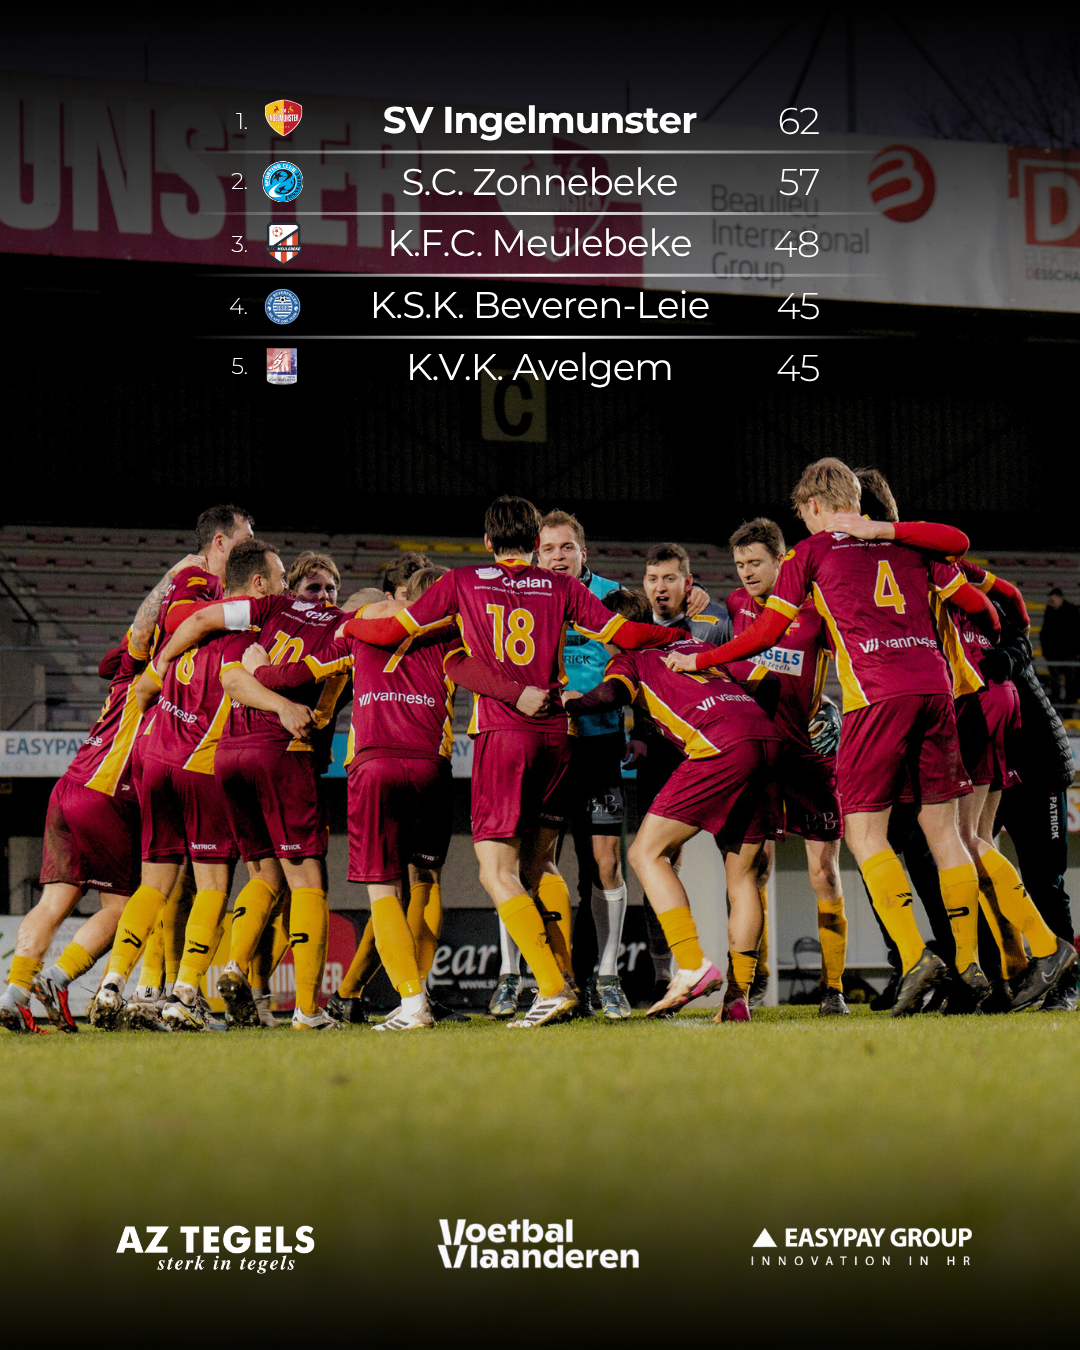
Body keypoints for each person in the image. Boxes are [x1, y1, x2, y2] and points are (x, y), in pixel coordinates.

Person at [664, 457, 1060, 1016]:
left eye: (804, 514)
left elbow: (768, 632)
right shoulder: (912, 545)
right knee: (951, 835)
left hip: (877, 696)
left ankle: (916, 955)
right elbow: (981, 593)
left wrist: (699, 659)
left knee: (864, 832)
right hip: (938, 691)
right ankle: (986, 960)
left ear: (814, 506)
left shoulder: (811, 553)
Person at [339, 495, 675, 1029]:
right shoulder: (563, 586)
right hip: (559, 735)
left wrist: (352, 626)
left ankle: (549, 986)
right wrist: (679, 637)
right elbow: (626, 634)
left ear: (488, 541)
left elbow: (392, 630)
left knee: (496, 870)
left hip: (504, 734)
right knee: (541, 865)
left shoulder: (463, 582)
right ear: (535, 543)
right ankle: (566, 980)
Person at [91, 540, 313, 1030]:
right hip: (201, 764)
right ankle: (185, 993)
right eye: (280, 579)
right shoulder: (250, 633)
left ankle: (114, 984)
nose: (285, 588)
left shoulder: (189, 623)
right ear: (258, 584)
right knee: (214, 884)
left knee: (155, 884)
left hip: (155, 759)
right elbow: (244, 681)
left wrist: (157, 673)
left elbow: (146, 666)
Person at [564, 588, 782, 1021]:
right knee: (742, 877)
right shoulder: (694, 645)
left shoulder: (628, 657)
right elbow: (769, 680)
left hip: (719, 746)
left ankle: (691, 964)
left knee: (645, 853)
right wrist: (751, 727)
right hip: (765, 741)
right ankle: (737, 1000)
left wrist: (571, 702)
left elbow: (610, 696)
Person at [151, 547, 346, 1030]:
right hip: (284, 753)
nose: (323, 596)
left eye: (330, 588)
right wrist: (284, 704)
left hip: (231, 754)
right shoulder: (339, 626)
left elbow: (226, 666)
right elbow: (319, 708)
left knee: (265, 877)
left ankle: (232, 969)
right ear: (289, 587)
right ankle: (307, 1010)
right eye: (314, 587)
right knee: (308, 883)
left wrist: (160, 664)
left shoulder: (267, 615)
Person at [490, 509, 630, 1021]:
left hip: (598, 744)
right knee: (523, 863)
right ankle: (514, 975)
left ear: (582, 552)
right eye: (546, 549)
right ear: (534, 553)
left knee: (606, 864)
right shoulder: (519, 593)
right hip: (542, 744)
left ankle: (607, 978)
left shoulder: (612, 596)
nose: (556, 557)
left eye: (565, 547)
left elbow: (635, 651)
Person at [725, 518, 848, 1017]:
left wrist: (836, 708)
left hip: (808, 757)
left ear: (781, 561)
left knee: (824, 873)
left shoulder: (817, 610)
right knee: (751, 870)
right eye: (739, 564)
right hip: (756, 757)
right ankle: (747, 984)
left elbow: (853, 660)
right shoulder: (735, 605)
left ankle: (834, 989)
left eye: (755, 562)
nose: (747, 572)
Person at [0, 637, 144, 1033]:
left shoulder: (126, 665)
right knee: (121, 908)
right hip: (108, 792)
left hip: (69, 785)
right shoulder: (163, 670)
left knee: (52, 903)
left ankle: (14, 994)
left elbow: (107, 661)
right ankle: (58, 976)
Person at [634, 543, 732, 1001]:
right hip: (660, 753)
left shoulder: (712, 621)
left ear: (687, 583)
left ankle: (747, 975)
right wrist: (638, 732)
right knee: (659, 858)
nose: (660, 588)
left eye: (669, 579)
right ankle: (665, 969)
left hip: (714, 748)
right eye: (653, 579)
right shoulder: (635, 625)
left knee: (740, 858)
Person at [1040, 587, 1080, 707]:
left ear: (1060, 598)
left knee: (1071, 683)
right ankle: (1056, 708)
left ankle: (1069, 709)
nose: (1051, 603)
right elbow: (1045, 633)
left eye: (1053, 600)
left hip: (1069, 654)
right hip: (1053, 654)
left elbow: (1076, 633)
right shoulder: (1049, 611)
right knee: (1055, 683)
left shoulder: (1072, 611)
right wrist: (1046, 652)